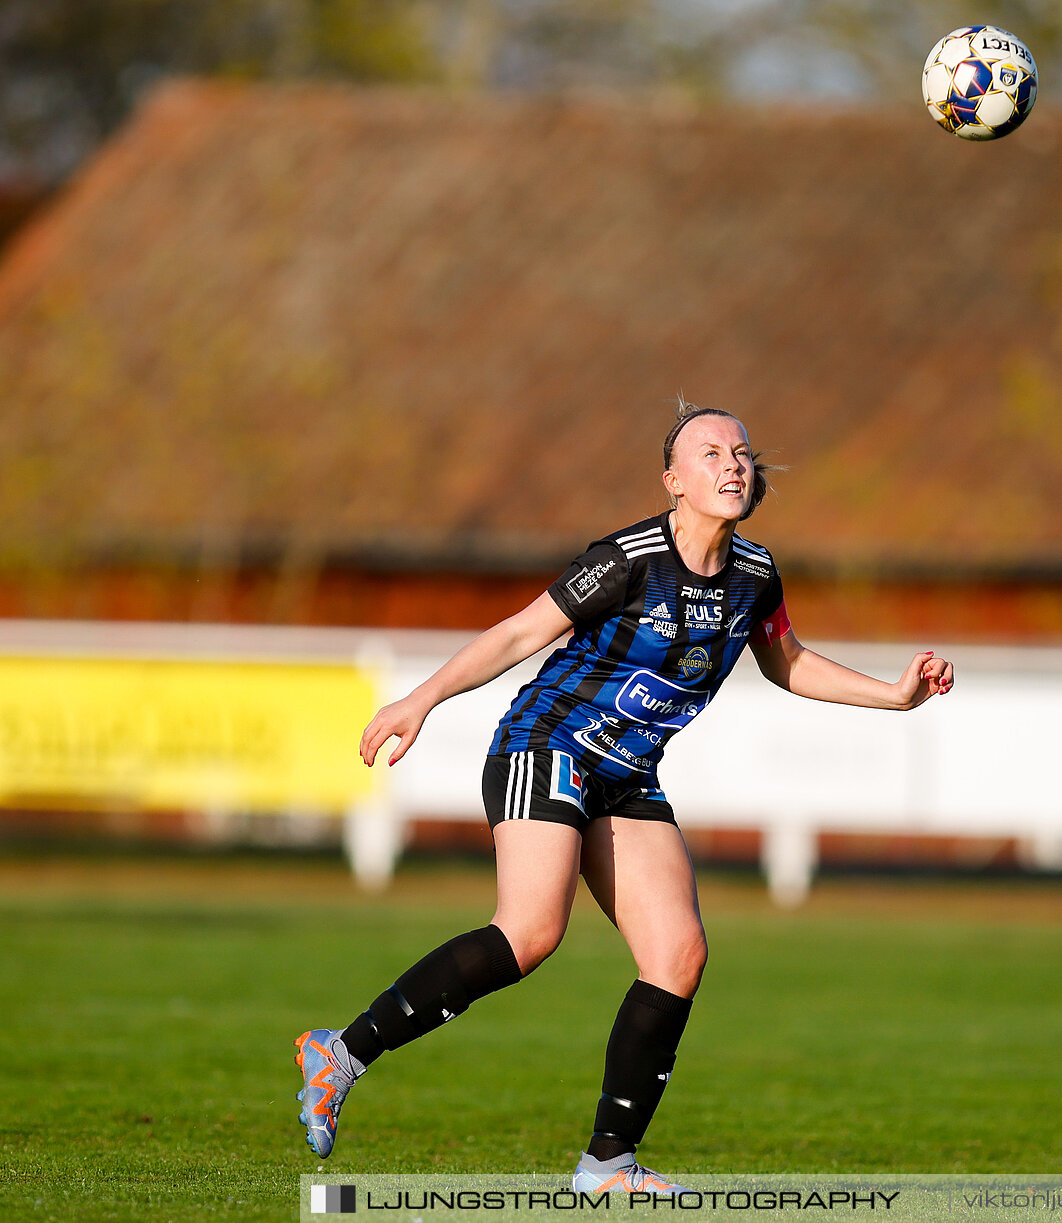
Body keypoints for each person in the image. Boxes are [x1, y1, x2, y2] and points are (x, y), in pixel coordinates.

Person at [293, 402, 954, 1192]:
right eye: (710, 453)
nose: (733, 463)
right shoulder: (627, 558)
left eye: (742, 452)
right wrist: (420, 699)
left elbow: (786, 662)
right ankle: (342, 1050)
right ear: (674, 480)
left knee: (678, 955)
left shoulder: (754, 575)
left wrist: (896, 695)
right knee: (531, 931)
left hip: (625, 775)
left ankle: (608, 1163)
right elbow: (515, 634)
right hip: (547, 743)